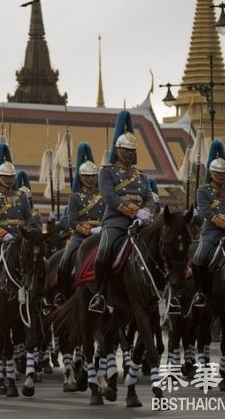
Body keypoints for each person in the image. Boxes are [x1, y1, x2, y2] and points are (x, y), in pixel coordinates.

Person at [91, 110, 156, 314]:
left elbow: (149, 197)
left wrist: (146, 210)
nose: (129, 153)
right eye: (125, 149)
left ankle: (162, 292)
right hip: (116, 222)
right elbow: (110, 197)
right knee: (104, 251)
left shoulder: (141, 176)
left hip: (141, 223)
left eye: (132, 150)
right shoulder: (106, 172)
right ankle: (100, 294)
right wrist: (134, 212)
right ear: (117, 150)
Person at [0, 139, 40, 310]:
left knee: (43, 262)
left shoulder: (21, 196)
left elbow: (29, 217)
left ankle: (41, 296)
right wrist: (3, 234)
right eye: (5, 177)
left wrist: (32, 232)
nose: (9, 180)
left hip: (22, 238)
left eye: (12, 177)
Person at [190, 140, 225, 308]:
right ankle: (200, 292)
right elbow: (207, 212)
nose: (221, 176)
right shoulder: (203, 190)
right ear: (211, 173)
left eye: (223, 173)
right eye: (218, 173)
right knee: (199, 257)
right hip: (212, 233)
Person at [56, 143, 104, 304]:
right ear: (80, 178)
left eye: (93, 176)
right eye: (86, 177)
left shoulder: (103, 196)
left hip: (102, 233)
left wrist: (103, 228)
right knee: (66, 258)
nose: (90, 179)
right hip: (80, 235)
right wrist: (89, 231)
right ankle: (61, 294)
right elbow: (72, 220)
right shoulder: (75, 197)